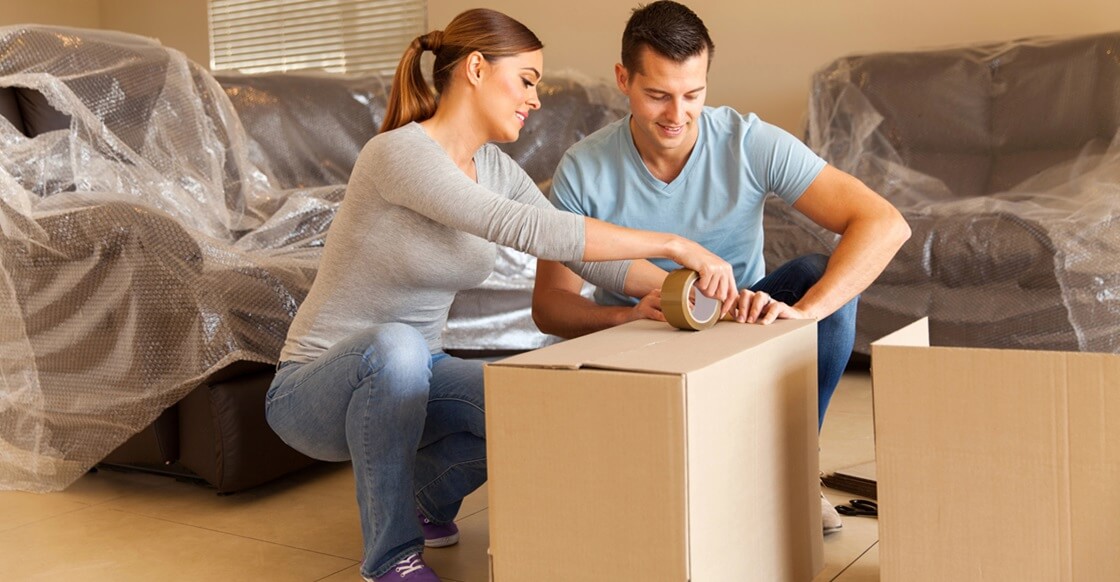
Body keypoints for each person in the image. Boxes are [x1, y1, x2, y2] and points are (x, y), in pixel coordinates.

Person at [263, 8, 738, 582]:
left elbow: (578, 251)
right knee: (396, 348)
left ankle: (426, 500)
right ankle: (390, 556)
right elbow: (531, 230)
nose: (535, 99)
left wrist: (683, 291)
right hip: (312, 390)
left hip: (420, 371)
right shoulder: (397, 155)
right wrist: (676, 243)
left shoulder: (495, 169)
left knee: (535, 404)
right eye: (527, 81)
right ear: (478, 69)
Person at [531, 0, 910, 535]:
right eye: (657, 94)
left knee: (815, 271)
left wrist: (805, 315)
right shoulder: (584, 169)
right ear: (623, 79)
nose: (677, 114)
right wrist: (625, 318)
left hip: (736, 324)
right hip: (639, 341)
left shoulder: (747, 141)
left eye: (693, 94)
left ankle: (796, 469)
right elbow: (550, 306)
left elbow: (884, 222)